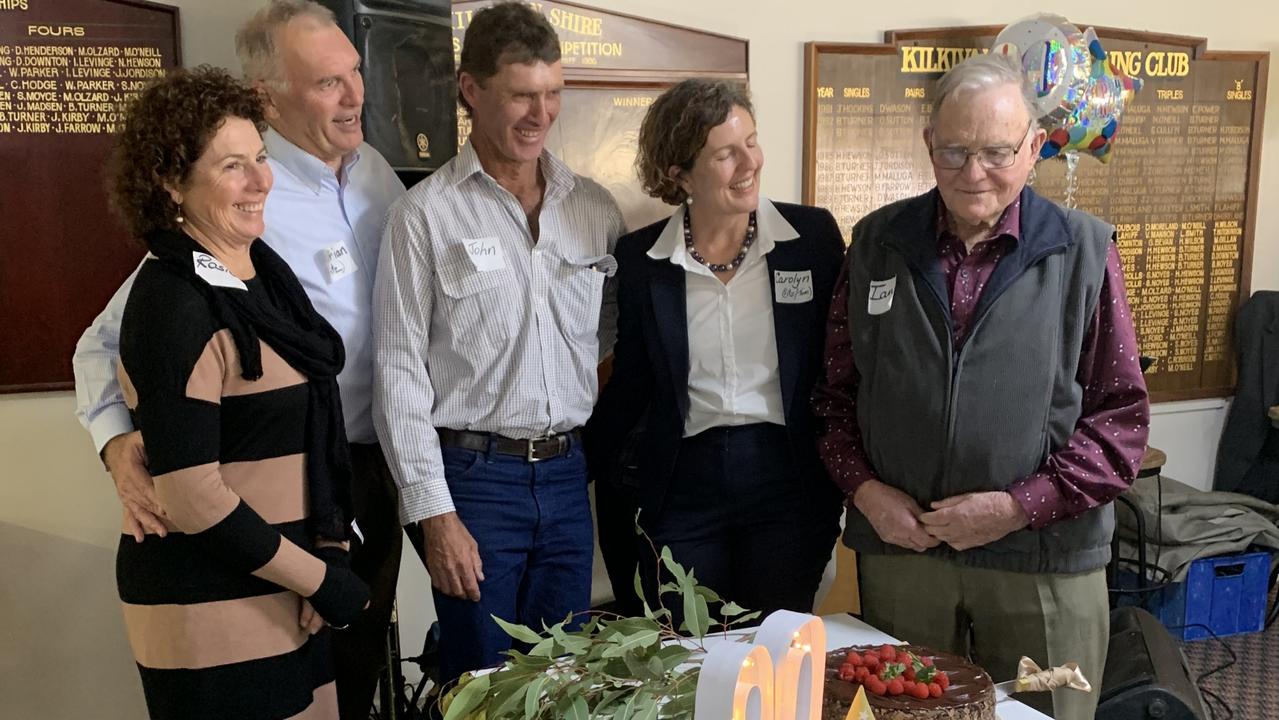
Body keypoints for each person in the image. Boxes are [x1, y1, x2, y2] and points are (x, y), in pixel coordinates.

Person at [72, 2, 405, 717]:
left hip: (350, 480)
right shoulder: (215, 231)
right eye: (327, 83)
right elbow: (105, 341)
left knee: (351, 680)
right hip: (248, 512)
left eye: (355, 74)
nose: (355, 97)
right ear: (267, 95)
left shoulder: (376, 176)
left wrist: (326, 553)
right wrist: (117, 444)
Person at [812, 53, 1150, 720]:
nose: (972, 174)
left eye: (996, 151)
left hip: (1044, 561)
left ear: (1032, 147)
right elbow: (832, 396)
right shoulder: (877, 242)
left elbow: (1120, 422)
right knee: (897, 714)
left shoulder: (1082, 250)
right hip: (903, 554)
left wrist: (1016, 506)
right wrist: (867, 493)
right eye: (954, 151)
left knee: (1043, 715)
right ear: (928, 145)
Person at [373, 1, 624, 688]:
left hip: (568, 479)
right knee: (482, 684)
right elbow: (397, 371)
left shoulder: (593, 209)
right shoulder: (422, 216)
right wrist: (434, 513)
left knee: (563, 679)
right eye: (519, 94)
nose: (538, 114)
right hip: (474, 485)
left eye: (551, 95)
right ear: (470, 89)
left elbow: (606, 335)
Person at [584, 79, 845, 619]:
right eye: (726, 153)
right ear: (679, 175)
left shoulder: (812, 239)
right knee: (686, 653)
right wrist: (570, 471)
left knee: (773, 647)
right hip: (682, 483)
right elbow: (631, 383)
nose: (750, 162)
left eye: (751, 141)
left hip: (786, 481)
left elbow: (840, 365)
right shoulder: (642, 260)